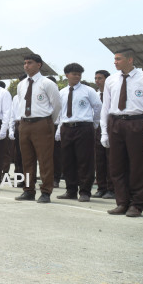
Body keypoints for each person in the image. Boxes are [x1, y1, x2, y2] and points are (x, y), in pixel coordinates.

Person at [100, 48, 143, 217]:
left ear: (130, 60)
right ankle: (122, 202)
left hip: (137, 122)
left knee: (138, 166)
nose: (115, 62)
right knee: (116, 165)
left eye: (118, 59)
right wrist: (104, 132)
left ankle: (137, 204)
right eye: (114, 59)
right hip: (115, 122)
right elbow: (105, 107)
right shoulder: (111, 80)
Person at [14, 54, 61, 204]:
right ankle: (28, 190)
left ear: (39, 65)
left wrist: (48, 122)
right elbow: (21, 103)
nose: (26, 65)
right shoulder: (21, 85)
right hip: (25, 124)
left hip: (42, 123)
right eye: (25, 63)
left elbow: (57, 106)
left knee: (45, 160)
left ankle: (46, 192)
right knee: (27, 160)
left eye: (30, 63)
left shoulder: (47, 83)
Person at [55, 63, 101, 202]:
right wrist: (59, 128)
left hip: (84, 127)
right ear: (67, 75)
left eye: (79, 74)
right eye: (74, 74)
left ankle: (85, 192)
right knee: (68, 161)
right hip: (66, 128)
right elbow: (60, 112)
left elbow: (98, 107)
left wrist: (94, 123)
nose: (77, 76)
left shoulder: (88, 91)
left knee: (85, 161)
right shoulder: (62, 92)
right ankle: (71, 190)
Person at [92, 70, 115, 199]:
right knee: (99, 160)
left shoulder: (112, 94)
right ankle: (101, 188)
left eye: (100, 78)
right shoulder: (95, 95)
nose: (97, 81)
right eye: (96, 78)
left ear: (107, 79)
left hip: (111, 128)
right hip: (98, 130)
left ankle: (112, 189)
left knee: (111, 160)